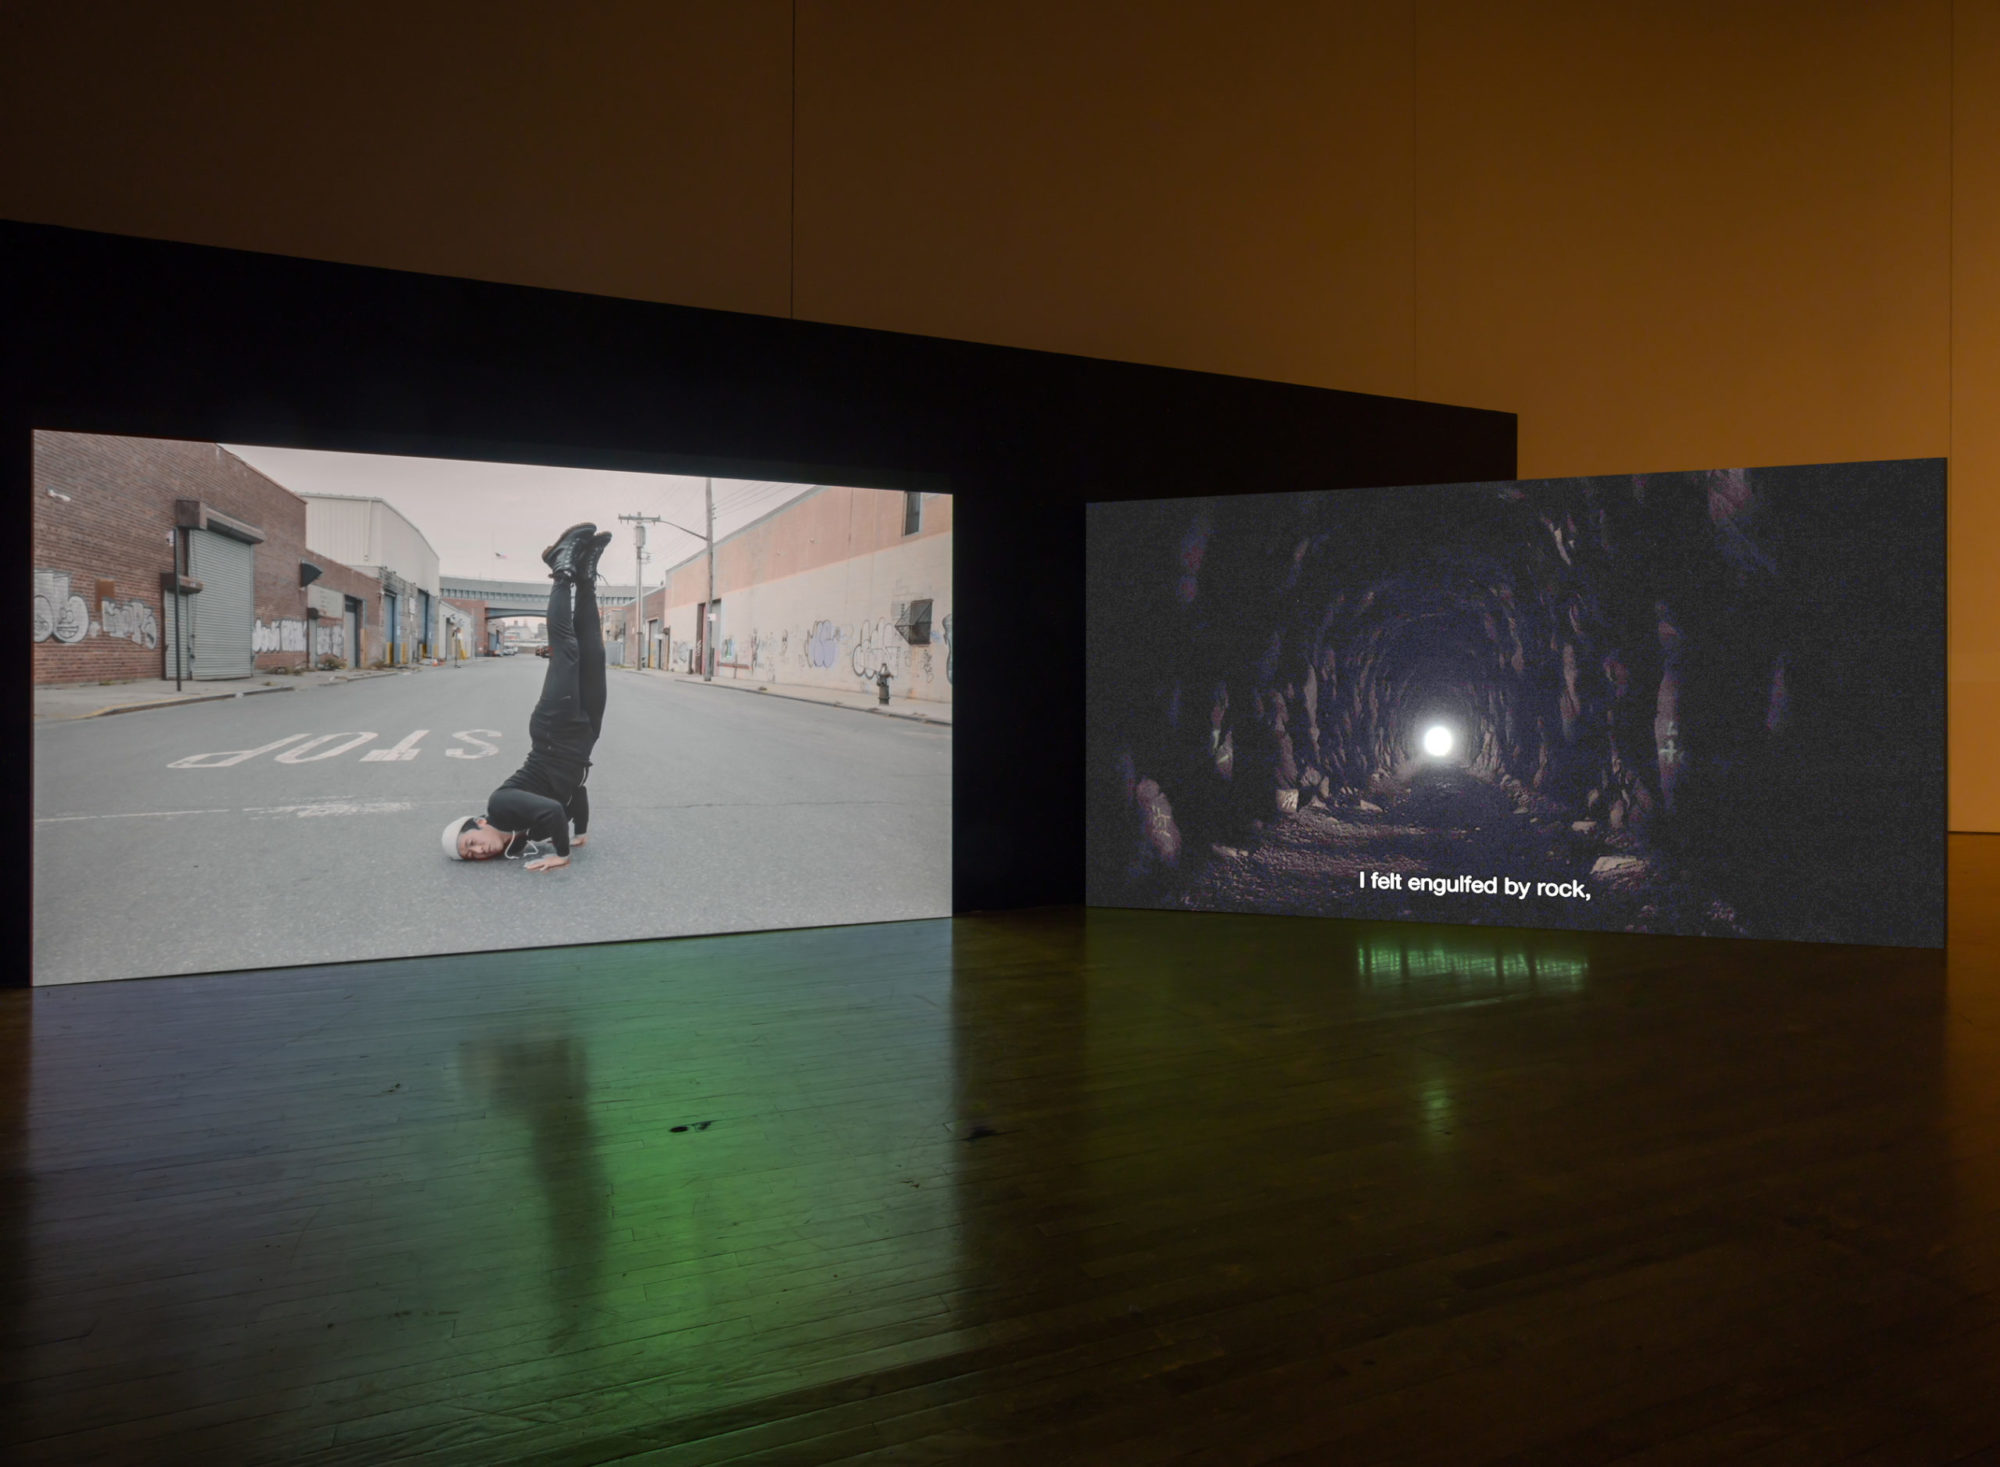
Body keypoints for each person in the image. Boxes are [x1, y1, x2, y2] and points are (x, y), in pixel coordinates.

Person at [442, 522, 612, 873]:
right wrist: (579, 830)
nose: (476, 850)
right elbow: (574, 792)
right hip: (583, 739)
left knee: (567, 650)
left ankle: (561, 569)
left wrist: (562, 853)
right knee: (593, 654)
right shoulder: (526, 835)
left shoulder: (501, 805)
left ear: (480, 823)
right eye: (470, 854)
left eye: (469, 842)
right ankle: (585, 576)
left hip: (554, 731)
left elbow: (552, 810)